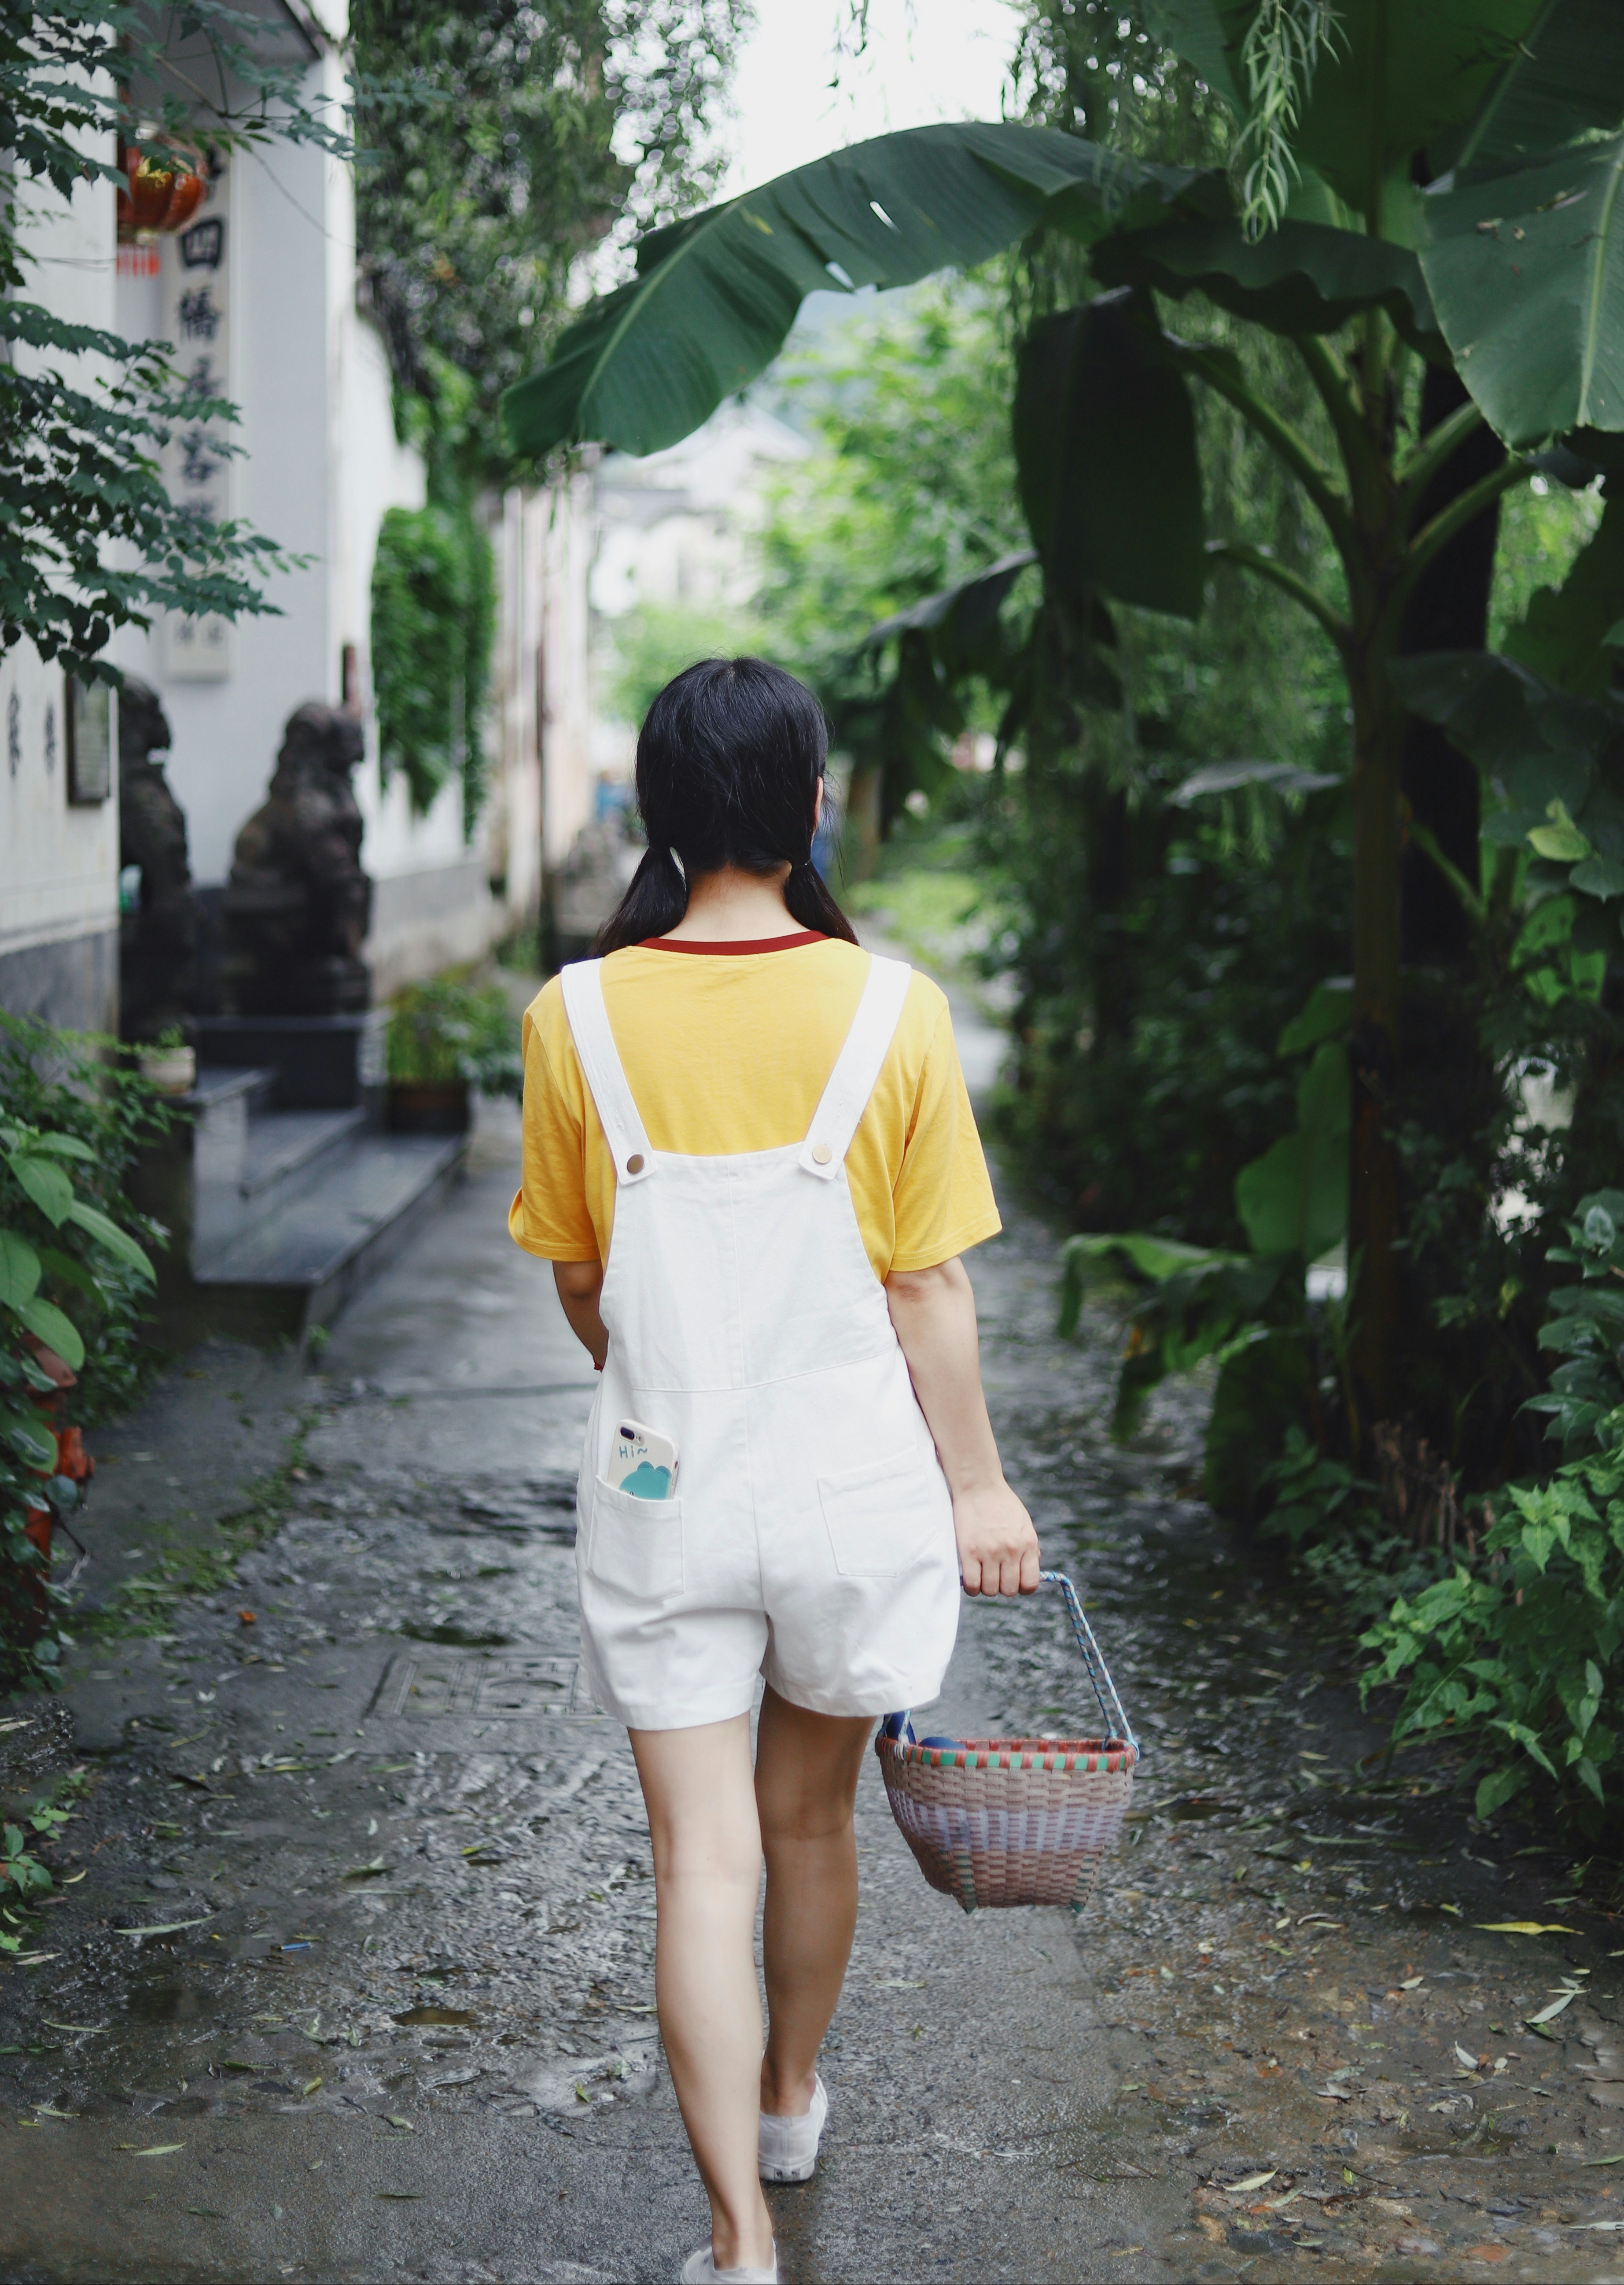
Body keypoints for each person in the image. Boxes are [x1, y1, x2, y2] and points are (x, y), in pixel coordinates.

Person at [509, 659, 1041, 2284]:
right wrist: (978, 1486)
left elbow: (584, 1283)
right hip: (849, 1491)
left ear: (659, 813)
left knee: (698, 1858)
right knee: (807, 1824)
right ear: (809, 801)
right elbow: (927, 1285)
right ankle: (793, 2095)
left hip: (662, 1485)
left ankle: (737, 2237)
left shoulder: (574, 1013)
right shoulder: (893, 1009)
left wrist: (677, 1390)